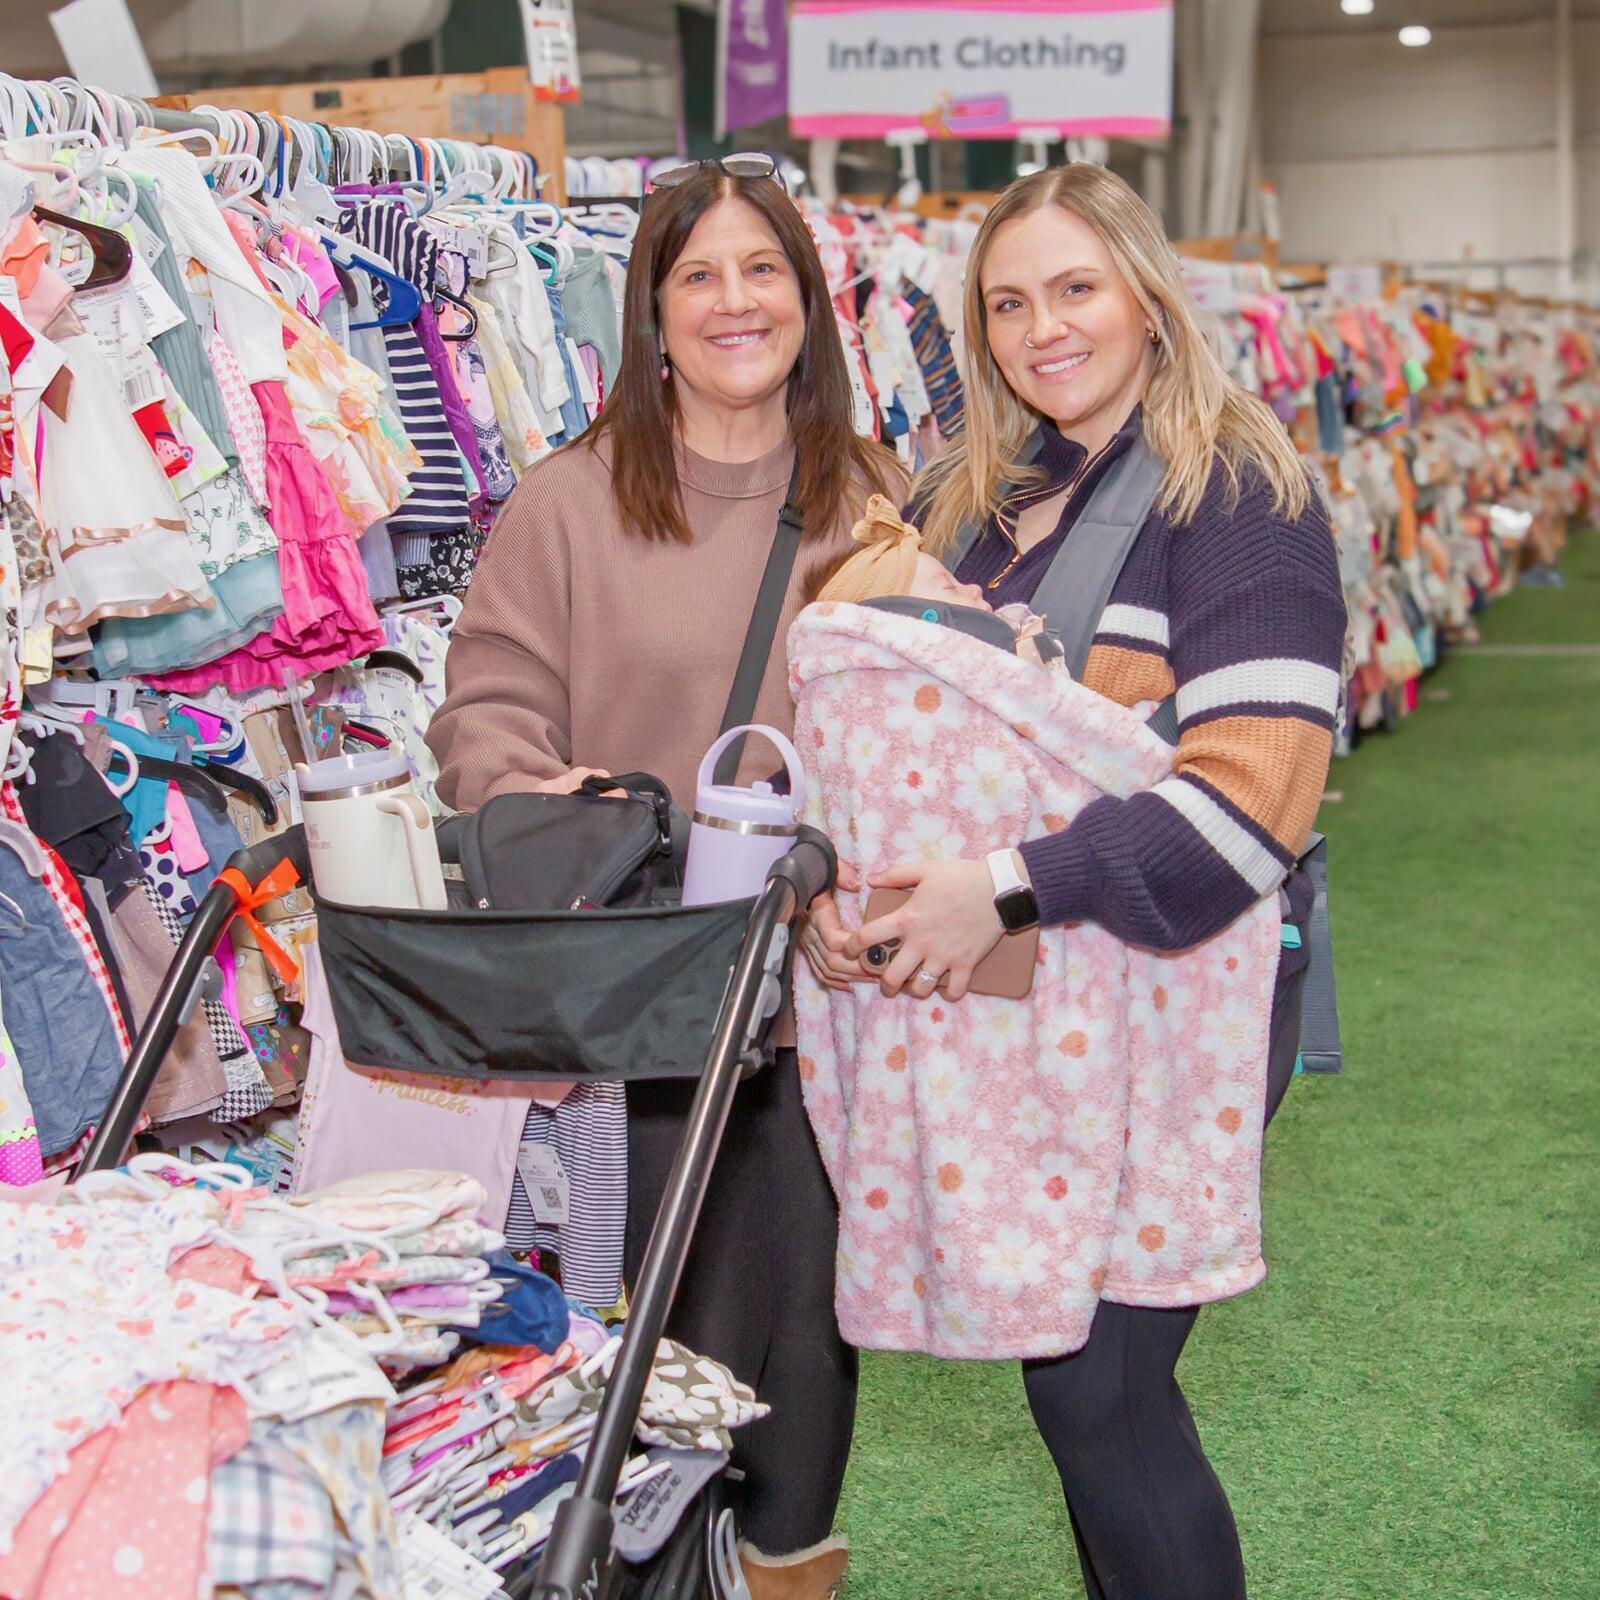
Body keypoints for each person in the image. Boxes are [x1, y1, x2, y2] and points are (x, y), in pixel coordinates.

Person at [801, 164, 1347, 1599]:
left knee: (1099, 1390)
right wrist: (839, 899)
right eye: (1009, 302)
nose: (1046, 328)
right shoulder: (967, 501)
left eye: (1076, 288)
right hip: (1024, 1011)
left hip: (1180, 997)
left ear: (1147, 295)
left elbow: (1251, 807)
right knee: (1078, 1394)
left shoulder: (1239, 494)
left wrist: (1007, 881)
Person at [428, 160, 901, 1598]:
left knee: (805, 1376)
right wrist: (541, 793)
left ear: (810, 304)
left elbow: (921, 736)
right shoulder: (569, 504)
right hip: (627, 1026)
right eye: (698, 274)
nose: (733, 301)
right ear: (650, 309)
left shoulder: (873, 504)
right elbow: (483, 718)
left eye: (763, 269)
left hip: (813, 1017)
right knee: (639, 1366)